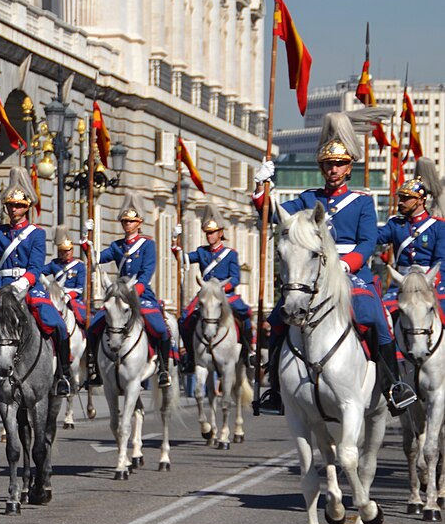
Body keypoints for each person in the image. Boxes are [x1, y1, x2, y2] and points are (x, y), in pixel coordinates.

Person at [252, 107, 415, 416]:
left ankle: (394, 386)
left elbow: (368, 242)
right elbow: (272, 214)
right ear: (322, 167)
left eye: (339, 164)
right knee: (277, 320)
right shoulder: (308, 198)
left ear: (348, 167)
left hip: (350, 274)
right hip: (314, 275)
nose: (334, 170)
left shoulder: (362, 202)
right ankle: (274, 387)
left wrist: (347, 264)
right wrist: (261, 186)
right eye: (328, 164)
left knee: (376, 317)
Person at [0, 168, 73, 398]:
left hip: (28, 287)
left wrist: (22, 283)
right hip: (2, 286)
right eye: (10, 206)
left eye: (18, 206)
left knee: (56, 323)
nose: (13, 210)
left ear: (26, 207)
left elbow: (36, 267)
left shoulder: (35, 233)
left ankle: (63, 374)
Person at [84, 195, 174, 388]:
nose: (127, 224)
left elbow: (147, 272)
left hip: (141, 294)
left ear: (139, 222)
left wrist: (133, 292)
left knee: (160, 329)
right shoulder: (117, 246)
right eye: (125, 221)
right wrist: (87, 242)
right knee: (94, 327)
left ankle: (164, 369)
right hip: (120, 295)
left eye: (131, 221)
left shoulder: (147, 244)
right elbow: (97, 258)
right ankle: (96, 369)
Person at [172, 204, 253, 371]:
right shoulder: (202, 252)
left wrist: (223, 289)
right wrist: (175, 241)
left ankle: (248, 350)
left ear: (220, 233)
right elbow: (182, 258)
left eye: (213, 232)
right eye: (207, 233)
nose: (210, 236)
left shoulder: (230, 254)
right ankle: (190, 355)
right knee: (185, 318)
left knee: (245, 313)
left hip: (225, 294)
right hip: (206, 294)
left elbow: (235, 277)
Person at [377, 162, 445, 318]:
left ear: (420, 200)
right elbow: (374, 237)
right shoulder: (395, 224)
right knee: (382, 314)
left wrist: (430, 282)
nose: (400, 202)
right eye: (400, 197)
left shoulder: (438, 226)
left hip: (431, 283)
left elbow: (441, 261)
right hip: (402, 284)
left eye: (406, 198)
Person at [45, 226, 88, 327]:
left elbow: (79, 289)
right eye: (64, 251)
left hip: (73, 299)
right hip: (57, 296)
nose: (67, 253)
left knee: (83, 319)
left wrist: (68, 296)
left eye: (69, 250)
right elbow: (40, 272)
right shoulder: (54, 264)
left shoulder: (79, 266)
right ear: (60, 252)